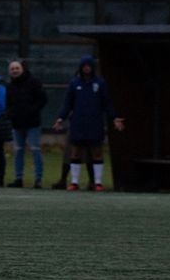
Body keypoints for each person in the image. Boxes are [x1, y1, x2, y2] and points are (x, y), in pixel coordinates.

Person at [52, 56, 125, 191]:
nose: (86, 68)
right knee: (75, 152)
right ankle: (74, 182)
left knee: (96, 152)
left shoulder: (100, 83)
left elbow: (107, 103)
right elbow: (68, 103)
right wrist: (61, 118)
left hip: (95, 122)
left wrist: (114, 117)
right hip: (78, 123)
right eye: (84, 66)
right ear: (81, 67)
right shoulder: (74, 83)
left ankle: (97, 183)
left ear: (92, 67)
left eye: (89, 66)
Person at [6, 60, 48, 188]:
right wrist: (11, 114)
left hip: (32, 123)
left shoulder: (34, 82)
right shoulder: (10, 86)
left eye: (17, 68)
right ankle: (18, 178)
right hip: (17, 124)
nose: (15, 70)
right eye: (12, 69)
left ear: (22, 69)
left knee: (35, 149)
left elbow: (42, 99)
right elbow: (8, 103)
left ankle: (38, 179)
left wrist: (32, 111)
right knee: (18, 151)